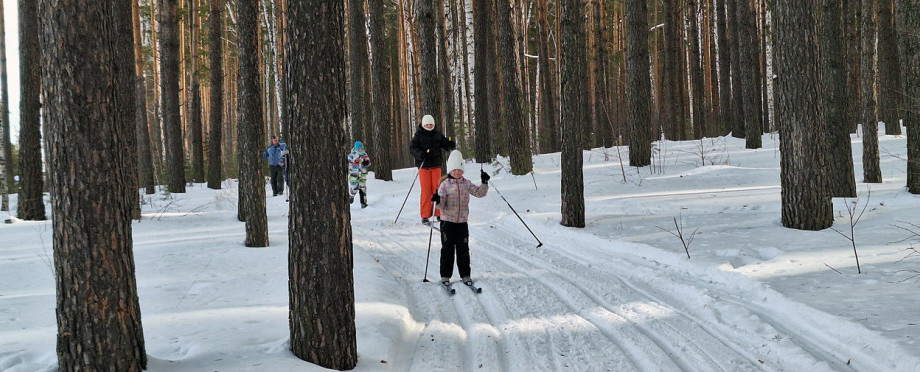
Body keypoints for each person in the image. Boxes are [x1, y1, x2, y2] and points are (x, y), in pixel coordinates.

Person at [431, 150, 489, 286]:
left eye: (459, 169)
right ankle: (445, 276)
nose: (457, 172)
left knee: (463, 250)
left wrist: (484, 182)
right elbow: (441, 205)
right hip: (447, 223)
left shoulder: (466, 183)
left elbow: (479, 193)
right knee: (448, 250)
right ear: (450, 170)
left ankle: (465, 275)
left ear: (463, 170)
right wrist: (437, 200)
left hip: (462, 223)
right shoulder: (445, 185)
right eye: (454, 169)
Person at [409, 114, 455, 224]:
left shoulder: (437, 135)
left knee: (437, 189)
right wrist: (421, 154)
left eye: (431, 124)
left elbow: (445, 145)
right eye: (427, 124)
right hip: (424, 166)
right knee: (426, 190)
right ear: (423, 125)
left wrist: (450, 144)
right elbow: (412, 148)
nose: (429, 126)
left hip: (436, 165)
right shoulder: (418, 135)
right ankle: (425, 215)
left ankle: (439, 213)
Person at [347, 141, 371, 208]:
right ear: (356, 148)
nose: (360, 150)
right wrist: (354, 161)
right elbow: (348, 160)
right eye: (359, 149)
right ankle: (351, 196)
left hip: (362, 175)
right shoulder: (352, 155)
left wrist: (365, 162)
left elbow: (368, 162)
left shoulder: (365, 155)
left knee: (362, 188)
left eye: (361, 148)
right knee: (354, 187)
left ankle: (363, 203)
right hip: (354, 174)